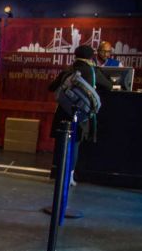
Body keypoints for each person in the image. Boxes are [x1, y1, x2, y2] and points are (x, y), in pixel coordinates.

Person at [48, 45, 112, 185]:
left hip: (63, 113)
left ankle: (58, 173)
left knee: (61, 143)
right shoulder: (92, 71)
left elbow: (51, 87)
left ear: (75, 56)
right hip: (80, 114)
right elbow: (109, 86)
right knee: (75, 144)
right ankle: (70, 176)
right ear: (90, 57)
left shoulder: (68, 70)